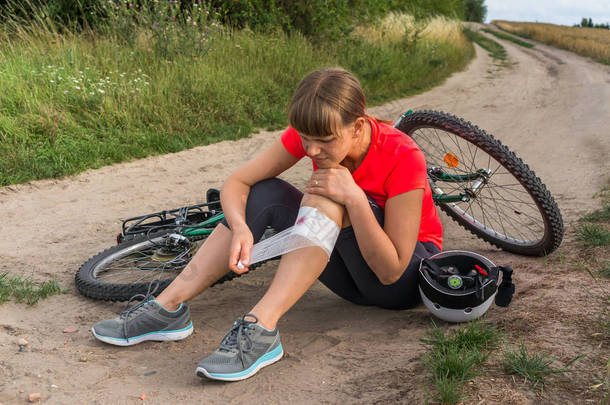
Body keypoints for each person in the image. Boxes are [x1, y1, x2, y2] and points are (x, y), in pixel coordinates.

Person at [91, 67, 443, 381]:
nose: (313, 150)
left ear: (358, 127)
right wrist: (242, 227)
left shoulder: (402, 154)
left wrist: (353, 198)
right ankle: (167, 308)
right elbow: (237, 183)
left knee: (327, 193)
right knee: (266, 190)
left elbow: (391, 271)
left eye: (325, 141)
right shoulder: (314, 132)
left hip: (401, 281)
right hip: (349, 274)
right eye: (306, 139)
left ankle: (261, 329)